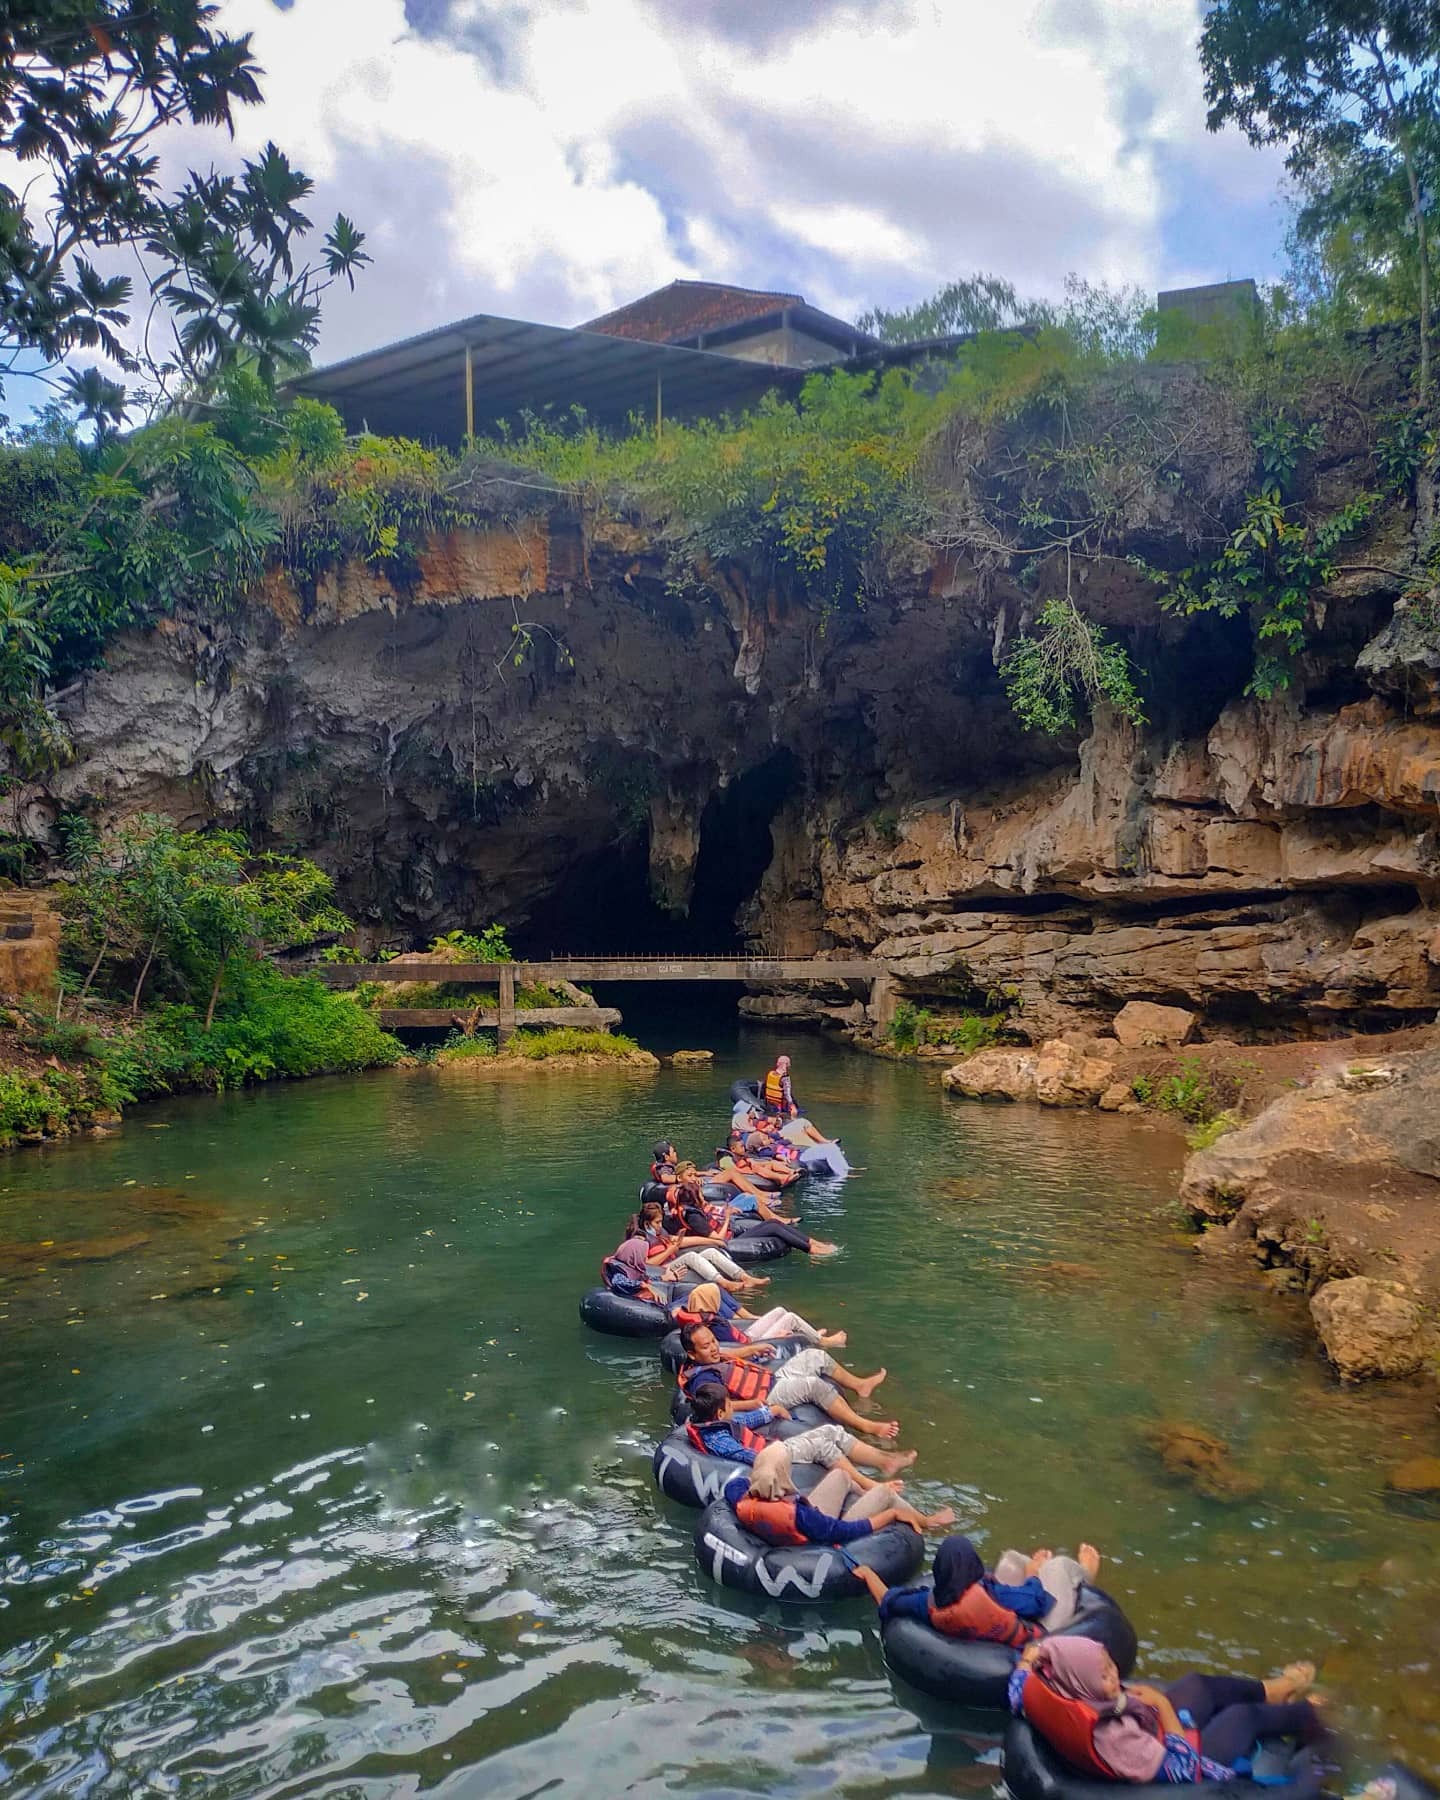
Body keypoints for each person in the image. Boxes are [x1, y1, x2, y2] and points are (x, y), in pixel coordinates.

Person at [1009, 1638, 1328, 1792]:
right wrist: (1162, 1706)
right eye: (1104, 1674)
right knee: (1242, 1717)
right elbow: (1183, 1769)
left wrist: (1028, 1659)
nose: (1114, 1675)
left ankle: (1277, 1689)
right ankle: (1309, 1714)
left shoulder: (1053, 1688)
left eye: (1110, 1665)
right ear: (1081, 1681)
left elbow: (1017, 1687)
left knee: (1196, 1684)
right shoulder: (1114, 1737)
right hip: (1169, 1756)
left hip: (1142, 1728)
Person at [676, 1321, 900, 1440]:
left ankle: (860, 1386)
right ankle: (866, 1426)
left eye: (714, 1341)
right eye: (706, 1346)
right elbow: (716, 1406)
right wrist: (753, 1405)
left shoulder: (710, 1357)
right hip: (766, 1396)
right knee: (813, 1386)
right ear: (693, 1354)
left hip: (769, 1380)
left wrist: (754, 1348)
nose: (714, 1347)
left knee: (815, 1356)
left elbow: (726, 1354)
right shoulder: (702, 1379)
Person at [854, 1533, 1102, 1639]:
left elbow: (889, 1599)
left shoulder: (927, 1603)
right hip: (1040, 1634)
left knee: (1010, 1560)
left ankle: (1034, 1565)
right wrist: (1034, 1572)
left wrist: (868, 1574)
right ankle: (1085, 1575)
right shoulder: (993, 1595)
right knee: (1057, 1565)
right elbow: (1037, 1601)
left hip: (981, 1627)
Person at [721, 1441, 954, 1548]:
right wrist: (891, 1513)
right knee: (885, 1493)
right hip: (816, 1535)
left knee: (841, 1475)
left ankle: (864, 1493)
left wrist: (761, 1478)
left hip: (790, 1516)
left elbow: (737, 1484)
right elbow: (845, 1531)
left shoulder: (741, 1497)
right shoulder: (803, 1516)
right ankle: (928, 1523)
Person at [686, 1378, 914, 1478]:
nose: (733, 1409)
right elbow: (746, 1456)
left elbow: (741, 1423)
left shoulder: (715, 1424)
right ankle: (868, 1482)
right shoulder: (718, 1440)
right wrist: (777, 1449)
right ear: (719, 1413)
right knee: (823, 1443)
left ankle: (884, 1460)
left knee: (832, 1431)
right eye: (729, 1406)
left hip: (770, 1449)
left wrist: (769, 1411)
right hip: (770, 1457)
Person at [665, 1178, 837, 1258]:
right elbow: (716, 1238)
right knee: (774, 1227)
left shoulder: (689, 1210)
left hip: (731, 1235)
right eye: (700, 1195)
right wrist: (725, 1219)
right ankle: (811, 1250)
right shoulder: (693, 1216)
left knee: (773, 1222)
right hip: (728, 1241)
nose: (703, 1197)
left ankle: (812, 1242)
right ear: (694, 1198)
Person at [671, 1280, 847, 1350]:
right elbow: (736, 1346)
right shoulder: (711, 1325)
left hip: (746, 1336)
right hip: (751, 1342)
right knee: (790, 1318)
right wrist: (774, 1337)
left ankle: (813, 1334)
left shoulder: (703, 1316)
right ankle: (824, 1342)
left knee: (780, 1310)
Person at [633, 1202, 768, 1292]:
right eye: (657, 1222)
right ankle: (723, 1283)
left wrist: (712, 1241)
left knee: (710, 1252)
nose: (660, 1225)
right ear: (646, 1224)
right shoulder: (640, 1239)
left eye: (661, 1222)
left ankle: (745, 1277)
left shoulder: (660, 1233)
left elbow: (685, 1242)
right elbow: (646, 1264)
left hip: (671, 1263)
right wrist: (670, 1250)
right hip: (660, 1271)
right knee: (691, 1256)